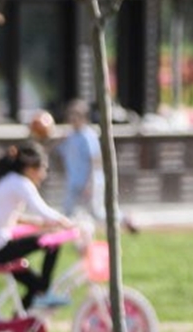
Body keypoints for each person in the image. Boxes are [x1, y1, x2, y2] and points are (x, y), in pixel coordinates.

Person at [0, 141, 79, 311]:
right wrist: (70, 224)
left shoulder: (7, 181)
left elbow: (10, 216)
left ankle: (21, 320)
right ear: (31, 167)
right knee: (52, 242)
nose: (44, 174)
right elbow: (43, 210)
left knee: (35, 286)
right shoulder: (20, 183)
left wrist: (40, 223)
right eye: (44, 168)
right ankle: (46, 293)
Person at [55, 98, 138, 234]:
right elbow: (59, 153)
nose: (72, 119)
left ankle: (124, 218)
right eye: (71, 116)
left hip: (89, 181)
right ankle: (63, 237)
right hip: (74, 181)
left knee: (97, 213)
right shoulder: (69, 136)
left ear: (84, 118)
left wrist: (90, 184)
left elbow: (95, 161)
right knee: (67, 210)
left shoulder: (88, 136)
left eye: (76, 116)